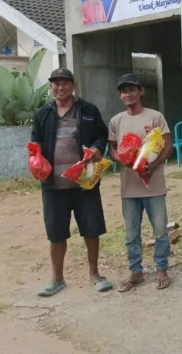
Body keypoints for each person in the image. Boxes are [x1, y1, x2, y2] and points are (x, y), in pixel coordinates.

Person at [31, 68, 112, 297]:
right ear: (51, 87)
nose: (60, 87)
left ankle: (95, 275)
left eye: (64, 83)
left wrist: (97, 148)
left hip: (84, 184)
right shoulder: (43, 114)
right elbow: (34, 142)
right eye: (55, 84)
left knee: (91, 230)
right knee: (56, 234)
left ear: (73, 85)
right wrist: (35, 156)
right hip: (53, 186)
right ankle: (57, 279)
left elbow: (101, 134)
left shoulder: (87, 110)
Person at [108, 74, 173, 292]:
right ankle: (135, 271)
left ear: (141, 91)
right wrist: (122, 159)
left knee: (160, 230)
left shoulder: (155, 117)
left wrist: (152, 167)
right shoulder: (117, 121)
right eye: (124, 91)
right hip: (129, 188)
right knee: (131, 233)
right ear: (120, 95)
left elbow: (167, 145)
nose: (128, 94)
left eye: (132, 90)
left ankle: (161, 268)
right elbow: (112, 148)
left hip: (153, 186)